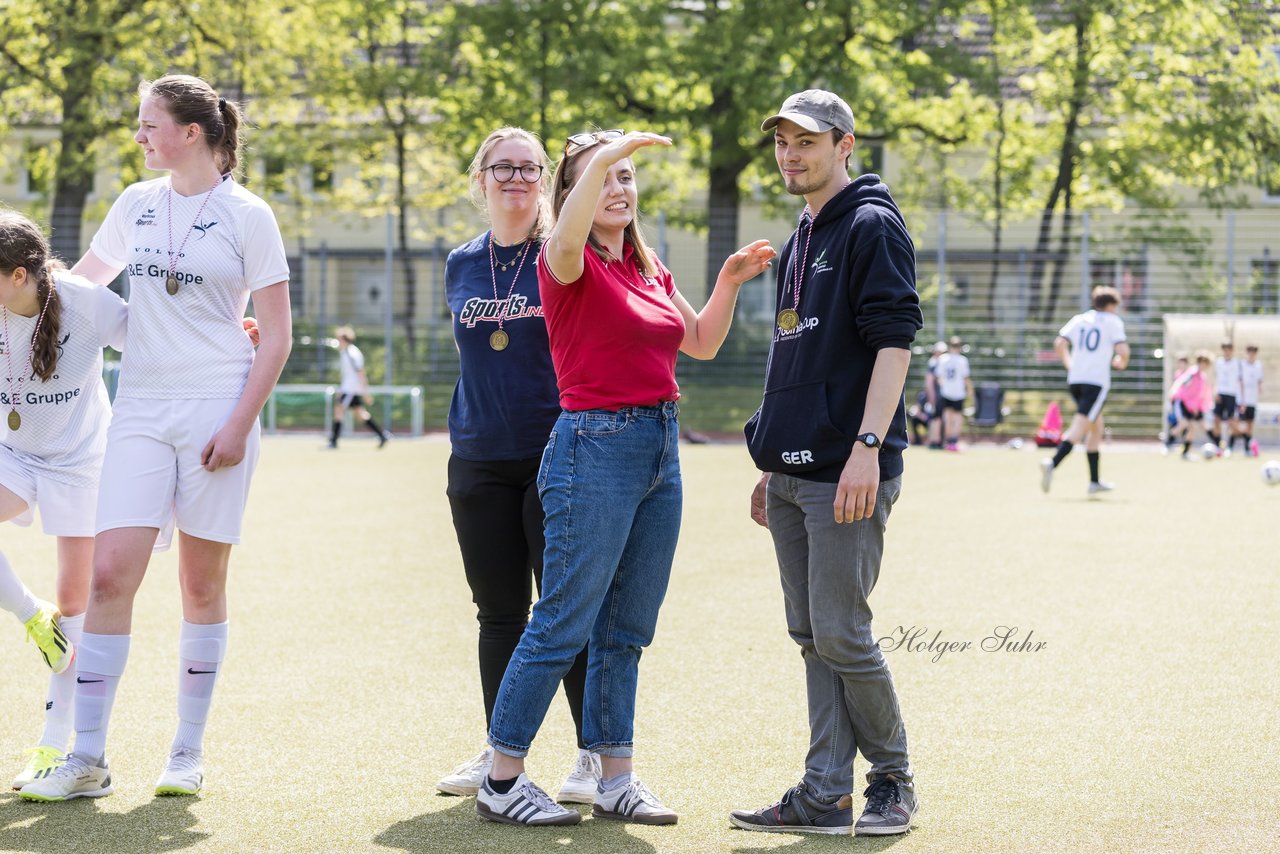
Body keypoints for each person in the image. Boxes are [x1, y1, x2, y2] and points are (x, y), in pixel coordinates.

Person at [475, 128, 775, 828]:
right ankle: (501, 778)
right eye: (603, 175)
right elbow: (570, 229)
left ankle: (615, 777)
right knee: (562, 621)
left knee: (627, 627)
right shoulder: (564, 260)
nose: (619, 186)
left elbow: (698, 342)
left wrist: (728, 281)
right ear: (575, 193)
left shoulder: (647, 265)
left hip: (660, 447)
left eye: (628, 175)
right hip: (592, 447)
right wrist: (607, 152)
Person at [22, 74, 292, 802]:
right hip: (137, 407)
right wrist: (17, 288)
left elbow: (278, 337)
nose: (140, 136)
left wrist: (238, 424)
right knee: (111, 576)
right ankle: (87, 758)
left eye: (150, 125)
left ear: (192, 133)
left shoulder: (248, 215)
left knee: (200, 584)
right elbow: (78, 288)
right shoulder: (135, 204)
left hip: (216, 410)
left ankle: (186, 751)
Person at [730, 89, 923, 837]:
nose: (790, 154)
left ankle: (893, 781)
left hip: (851, 466)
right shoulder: (802, 232)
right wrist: (773, 454)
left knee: (842, 634)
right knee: (812, 635)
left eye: (806, 141)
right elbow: (795, 354)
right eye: (781, 141)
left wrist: (868, 449)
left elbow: (894, 341)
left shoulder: (870, 225)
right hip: (794, 470)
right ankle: (822, 794)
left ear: (845, 144)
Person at [436, 127, 595, 803]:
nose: (517, 178)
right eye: (503, 167)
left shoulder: (562, 254)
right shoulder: (461, 263)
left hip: (553, 454)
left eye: (530, 168)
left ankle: (595, 756)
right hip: (476, 458)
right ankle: (503, 752)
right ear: (480, 179)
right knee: (498, 614)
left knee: (566, 613)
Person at [0, 212, 126, 790]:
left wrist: (232, 339)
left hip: (79, 462)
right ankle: (32, 615)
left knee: (76, 604)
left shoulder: (85, 301)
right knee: (52, 619)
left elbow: (153, 346)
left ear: (19, 275)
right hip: (12, 452)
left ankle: (54, 749)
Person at [1039, 286, 1130, 496]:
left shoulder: (1080, 319)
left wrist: (1069, 363)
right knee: (1080, 426)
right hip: (1096, 382)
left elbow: (1059, 343)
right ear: (1110, 305)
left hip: (1076, 380)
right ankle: (1052, 463)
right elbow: (1123, 350)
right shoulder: (1112, 321)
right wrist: (1122, 362)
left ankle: (1094, 482)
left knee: (1096, 428)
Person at [328, 326, 389, 449]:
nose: (337, 341)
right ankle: (382, 435)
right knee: (361, 414)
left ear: (344, 339)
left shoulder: (352, 353)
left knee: (339, 410)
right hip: (349, 389)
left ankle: (334, 441)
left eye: (339, 339)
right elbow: (348, 375)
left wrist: (365, 393)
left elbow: (360, 373)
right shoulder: (345, 353)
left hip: (350, 390)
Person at [1166, 352, 1213, 459]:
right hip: (1182, 403)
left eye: (1205, 363)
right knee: (1184, 424)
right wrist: (1172, 392)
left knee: (1192, 427)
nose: (1203, 365)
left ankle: (1185, 452)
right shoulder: (1192, 373)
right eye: (1201, 363)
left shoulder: (1203, 377)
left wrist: (1198, 407)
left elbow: (1200, 395)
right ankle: (1167, 444)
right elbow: (1180, 382)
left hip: (1192, 407)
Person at [934, 336, 973, 451]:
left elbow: (939, 377)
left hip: (947, 392)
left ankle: (948, 442)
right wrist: (970, 390)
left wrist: (944, 386)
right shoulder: (962, 360)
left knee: (948, 418)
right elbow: (966, 378)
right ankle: (953, 442)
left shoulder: (943, 359)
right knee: (957, 419)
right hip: (958, 393)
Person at [1208, 342, 1242, 456]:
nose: (1227, 351)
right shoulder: (1219, 362)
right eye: (1225, 349)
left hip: (1231, 395)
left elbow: (1240, 381)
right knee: (1216, 420)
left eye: (1229, 349)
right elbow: (1216, 378)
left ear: (1232, 350)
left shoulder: (1237, 363)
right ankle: (1219, 446)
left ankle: (1230, 446)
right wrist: (1215, 392)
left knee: (1231, 422)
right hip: (1220, 394)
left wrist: (1241, 399)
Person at [1237, 345, 1263, 457]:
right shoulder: (1242, 365)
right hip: (1243, 400)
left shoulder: (1258, 366)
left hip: (1253, 401)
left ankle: (1247, 448)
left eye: (1253, 352)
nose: (1251, 354)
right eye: (1249, 352)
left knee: (1250, 425)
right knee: (1241, 426)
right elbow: (1241, 382)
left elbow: (1259, 381)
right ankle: (1231, 445)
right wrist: (1242, 400)